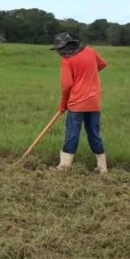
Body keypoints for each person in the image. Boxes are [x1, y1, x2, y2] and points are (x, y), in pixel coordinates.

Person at [52, 32, 109, 173]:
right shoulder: (90, 51)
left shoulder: (67, 61)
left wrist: (62, 104)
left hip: (77, 104)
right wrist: (88, 73)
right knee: (94, 134)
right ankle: (102, 168)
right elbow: (102, 64)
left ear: (64, 48)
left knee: (72, 134)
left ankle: (64, 166)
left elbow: (67, 86)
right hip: (94, 102)